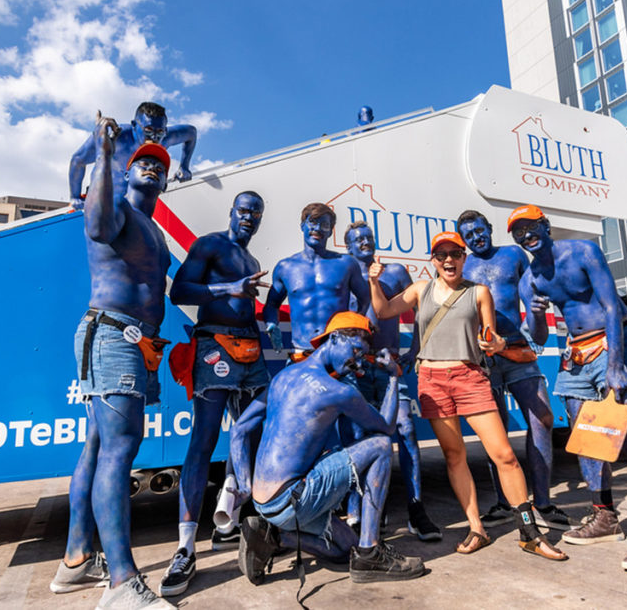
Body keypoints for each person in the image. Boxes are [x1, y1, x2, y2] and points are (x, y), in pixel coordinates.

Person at [369, 231, 567, 560]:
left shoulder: (479, 293)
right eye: (442, 254)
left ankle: (529, 531)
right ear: (433, 260)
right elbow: (384, 310)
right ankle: (476, 527)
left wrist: (497, 345)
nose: (449, 259)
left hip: (469, 377)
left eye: (455, 254)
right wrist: (374, 282)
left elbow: (492, 337)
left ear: (464, 258)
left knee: (504, 454)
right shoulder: (421, 289)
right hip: (431, 380)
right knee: (454, 456)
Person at [511, 203, 627, 573]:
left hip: (612, 342)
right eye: (518, 232)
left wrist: (617, 365)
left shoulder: (583, 252)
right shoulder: (530, 281)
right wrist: (538, 315)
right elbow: (539, 338)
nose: (526, 235)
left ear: (545, 226)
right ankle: (605, 516)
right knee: (586, 437)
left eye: (531, 227)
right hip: (576, 353)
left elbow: (611, 307)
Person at [52, 119, 174, 608]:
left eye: (159, 166)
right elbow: (97, 223)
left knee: (100, 446)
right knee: (120, 450)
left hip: (138, 342)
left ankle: (76, 560)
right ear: (126, 169)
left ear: (167, 182)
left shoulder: (156, 231)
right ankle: (122, 584)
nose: (151, 167)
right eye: (142, 161)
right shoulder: (116, 209)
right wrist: (103, 154)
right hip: (112, 333)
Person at [230, 312, 425, 584]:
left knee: (345, 548)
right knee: (380, 445)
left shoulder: (283, 376)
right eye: (356, 350)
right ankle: (371, 553)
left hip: (264, 504)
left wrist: (245, 486)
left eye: (361, 356)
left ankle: (272, 537)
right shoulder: (338, 391)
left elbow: (239, 430)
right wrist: (393, 376)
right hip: (294, 499)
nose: (357, 362)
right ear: (333, 339)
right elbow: (387, 428)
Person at [163, 191, 270, 596]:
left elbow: (245, 304)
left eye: (256, 214)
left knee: (254, 434)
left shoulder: (254, 263)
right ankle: (185, 548)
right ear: (232, 212)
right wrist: (228, 289)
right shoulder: (210, 244)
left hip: (250, 349)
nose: (249, 218)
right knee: (204, 441)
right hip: (214, 347)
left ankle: (231, 509)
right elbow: (180, 293)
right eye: (244, 210)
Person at [457, 210, 570, 531]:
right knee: (497, 432)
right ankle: (504, 503)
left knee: (543, 418)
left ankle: (544, 503)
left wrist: (535, 323)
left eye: (480, 231)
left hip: (518, 350)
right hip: (483, 360)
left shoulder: (512, 254)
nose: (476, 237)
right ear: (464, 241)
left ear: (489, 229)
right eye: (469, 235)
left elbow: (531, 292)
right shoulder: (463, 267)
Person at [340, 221, 440, 541]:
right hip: (355, 370)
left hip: (389, 367)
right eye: (358, 240)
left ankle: (415, 509)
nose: (365, 242)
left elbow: (423, 309)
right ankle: (361, 510)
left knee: (407, 432)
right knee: (358, 440)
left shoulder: (394, 271)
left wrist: (415, 347)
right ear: (349, 246)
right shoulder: (343, 275)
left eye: (369, 237)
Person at [262, 203, 369, 358]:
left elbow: (365, 299)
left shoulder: (346, 263)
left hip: (338, 352)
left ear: (331, 232)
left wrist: (355, 328)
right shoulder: (285, 267)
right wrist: (271, 323)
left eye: (324, 225)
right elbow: (272, 304)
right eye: (312, 222)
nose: (317, 229)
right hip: (301, 352)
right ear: (302, 226)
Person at [68, 102, 197, 208]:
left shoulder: (166, 138)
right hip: (104, 200)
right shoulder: (117, 137)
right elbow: (78, 160)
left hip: (136, 203)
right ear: (134, 126)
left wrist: (184, 166)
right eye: (148, 131)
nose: (154, 138)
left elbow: (191, 133)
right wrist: (75, 197)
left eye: (159, 132)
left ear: (165, 130)